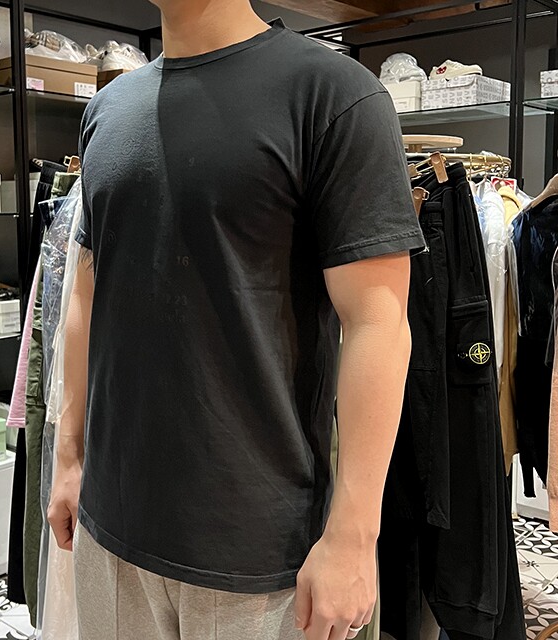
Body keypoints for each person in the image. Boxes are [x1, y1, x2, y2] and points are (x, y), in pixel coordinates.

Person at [47, 1, 424, 639]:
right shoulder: (107, 110)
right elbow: (87, 288)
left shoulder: (333, 96)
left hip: (259, 549)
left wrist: (354, 537)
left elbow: (378, 323)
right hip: (111, 527)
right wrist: (68, 451)